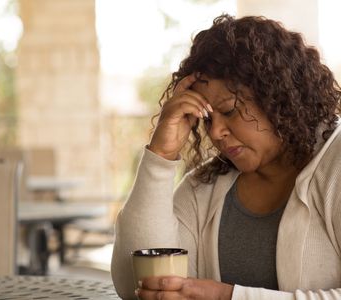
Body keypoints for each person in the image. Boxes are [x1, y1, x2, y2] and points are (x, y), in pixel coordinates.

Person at [111, 14, 341, 299]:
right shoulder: (205, 188)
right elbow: (134, 284)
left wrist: (227, 296)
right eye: (207, 119)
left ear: (277, 96)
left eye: (230, 110)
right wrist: (161, 156)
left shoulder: (336, 164)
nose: (216, 132)